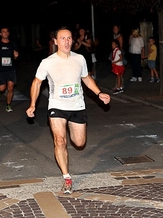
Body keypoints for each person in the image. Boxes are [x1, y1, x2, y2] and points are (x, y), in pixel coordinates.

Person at [25, 27, 110, 194]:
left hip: (77, 106)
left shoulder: (79, 59)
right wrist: (33, 104)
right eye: (63, 38)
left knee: (79, 142)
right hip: (57, 106)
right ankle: (67, 177)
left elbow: (86, 77)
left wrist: (99, 93)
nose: (67, 41)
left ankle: (72, 135)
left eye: (69, 38)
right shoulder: (47, 62)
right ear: (55, 41)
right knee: (60, 141)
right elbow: (36, 83)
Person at [0, 27, 19, 112]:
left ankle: (8, 105)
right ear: (0, 34)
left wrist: (16, 56)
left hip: (11, 69)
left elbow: (15, 55)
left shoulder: (12, 44)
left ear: (9, 33)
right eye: (3, 32)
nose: (5, 33)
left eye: (6, 32)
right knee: (2, 88)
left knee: (10, 88)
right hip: (0, 70)